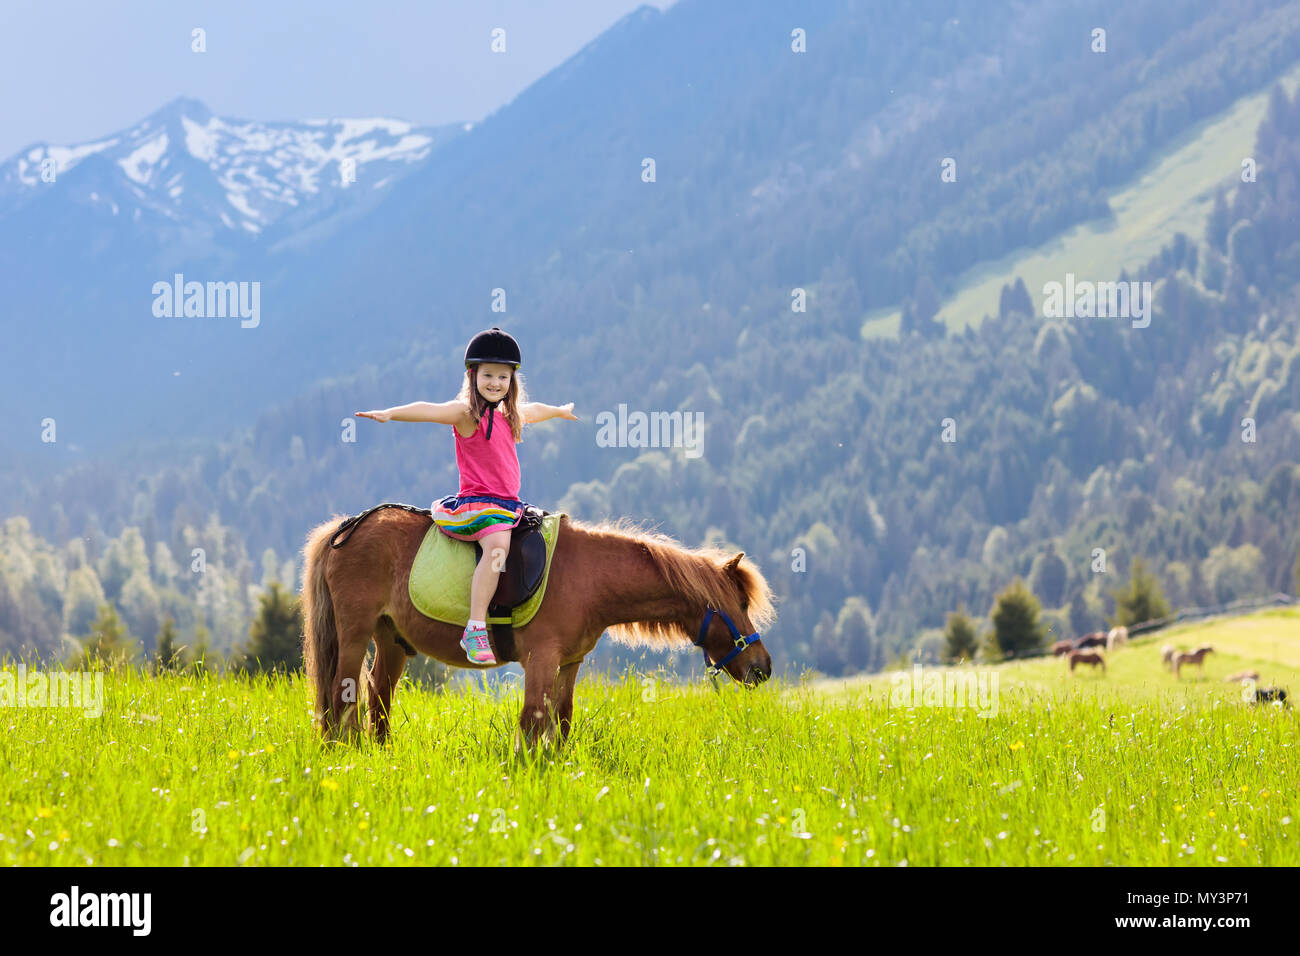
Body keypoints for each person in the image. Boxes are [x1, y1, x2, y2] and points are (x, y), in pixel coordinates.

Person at [356, 327, 578, 664]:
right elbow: (429, 409)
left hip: (509, 505)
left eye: (503, 377)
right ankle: (474, 628)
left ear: (512, 381)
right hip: (478, 505)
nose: (495, 383)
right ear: (473, 376)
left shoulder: (510, 414)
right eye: (488, 375)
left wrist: (560, 410)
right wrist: (391, 413)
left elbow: (536, 410)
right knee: (498, 546)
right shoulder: (465, 415)